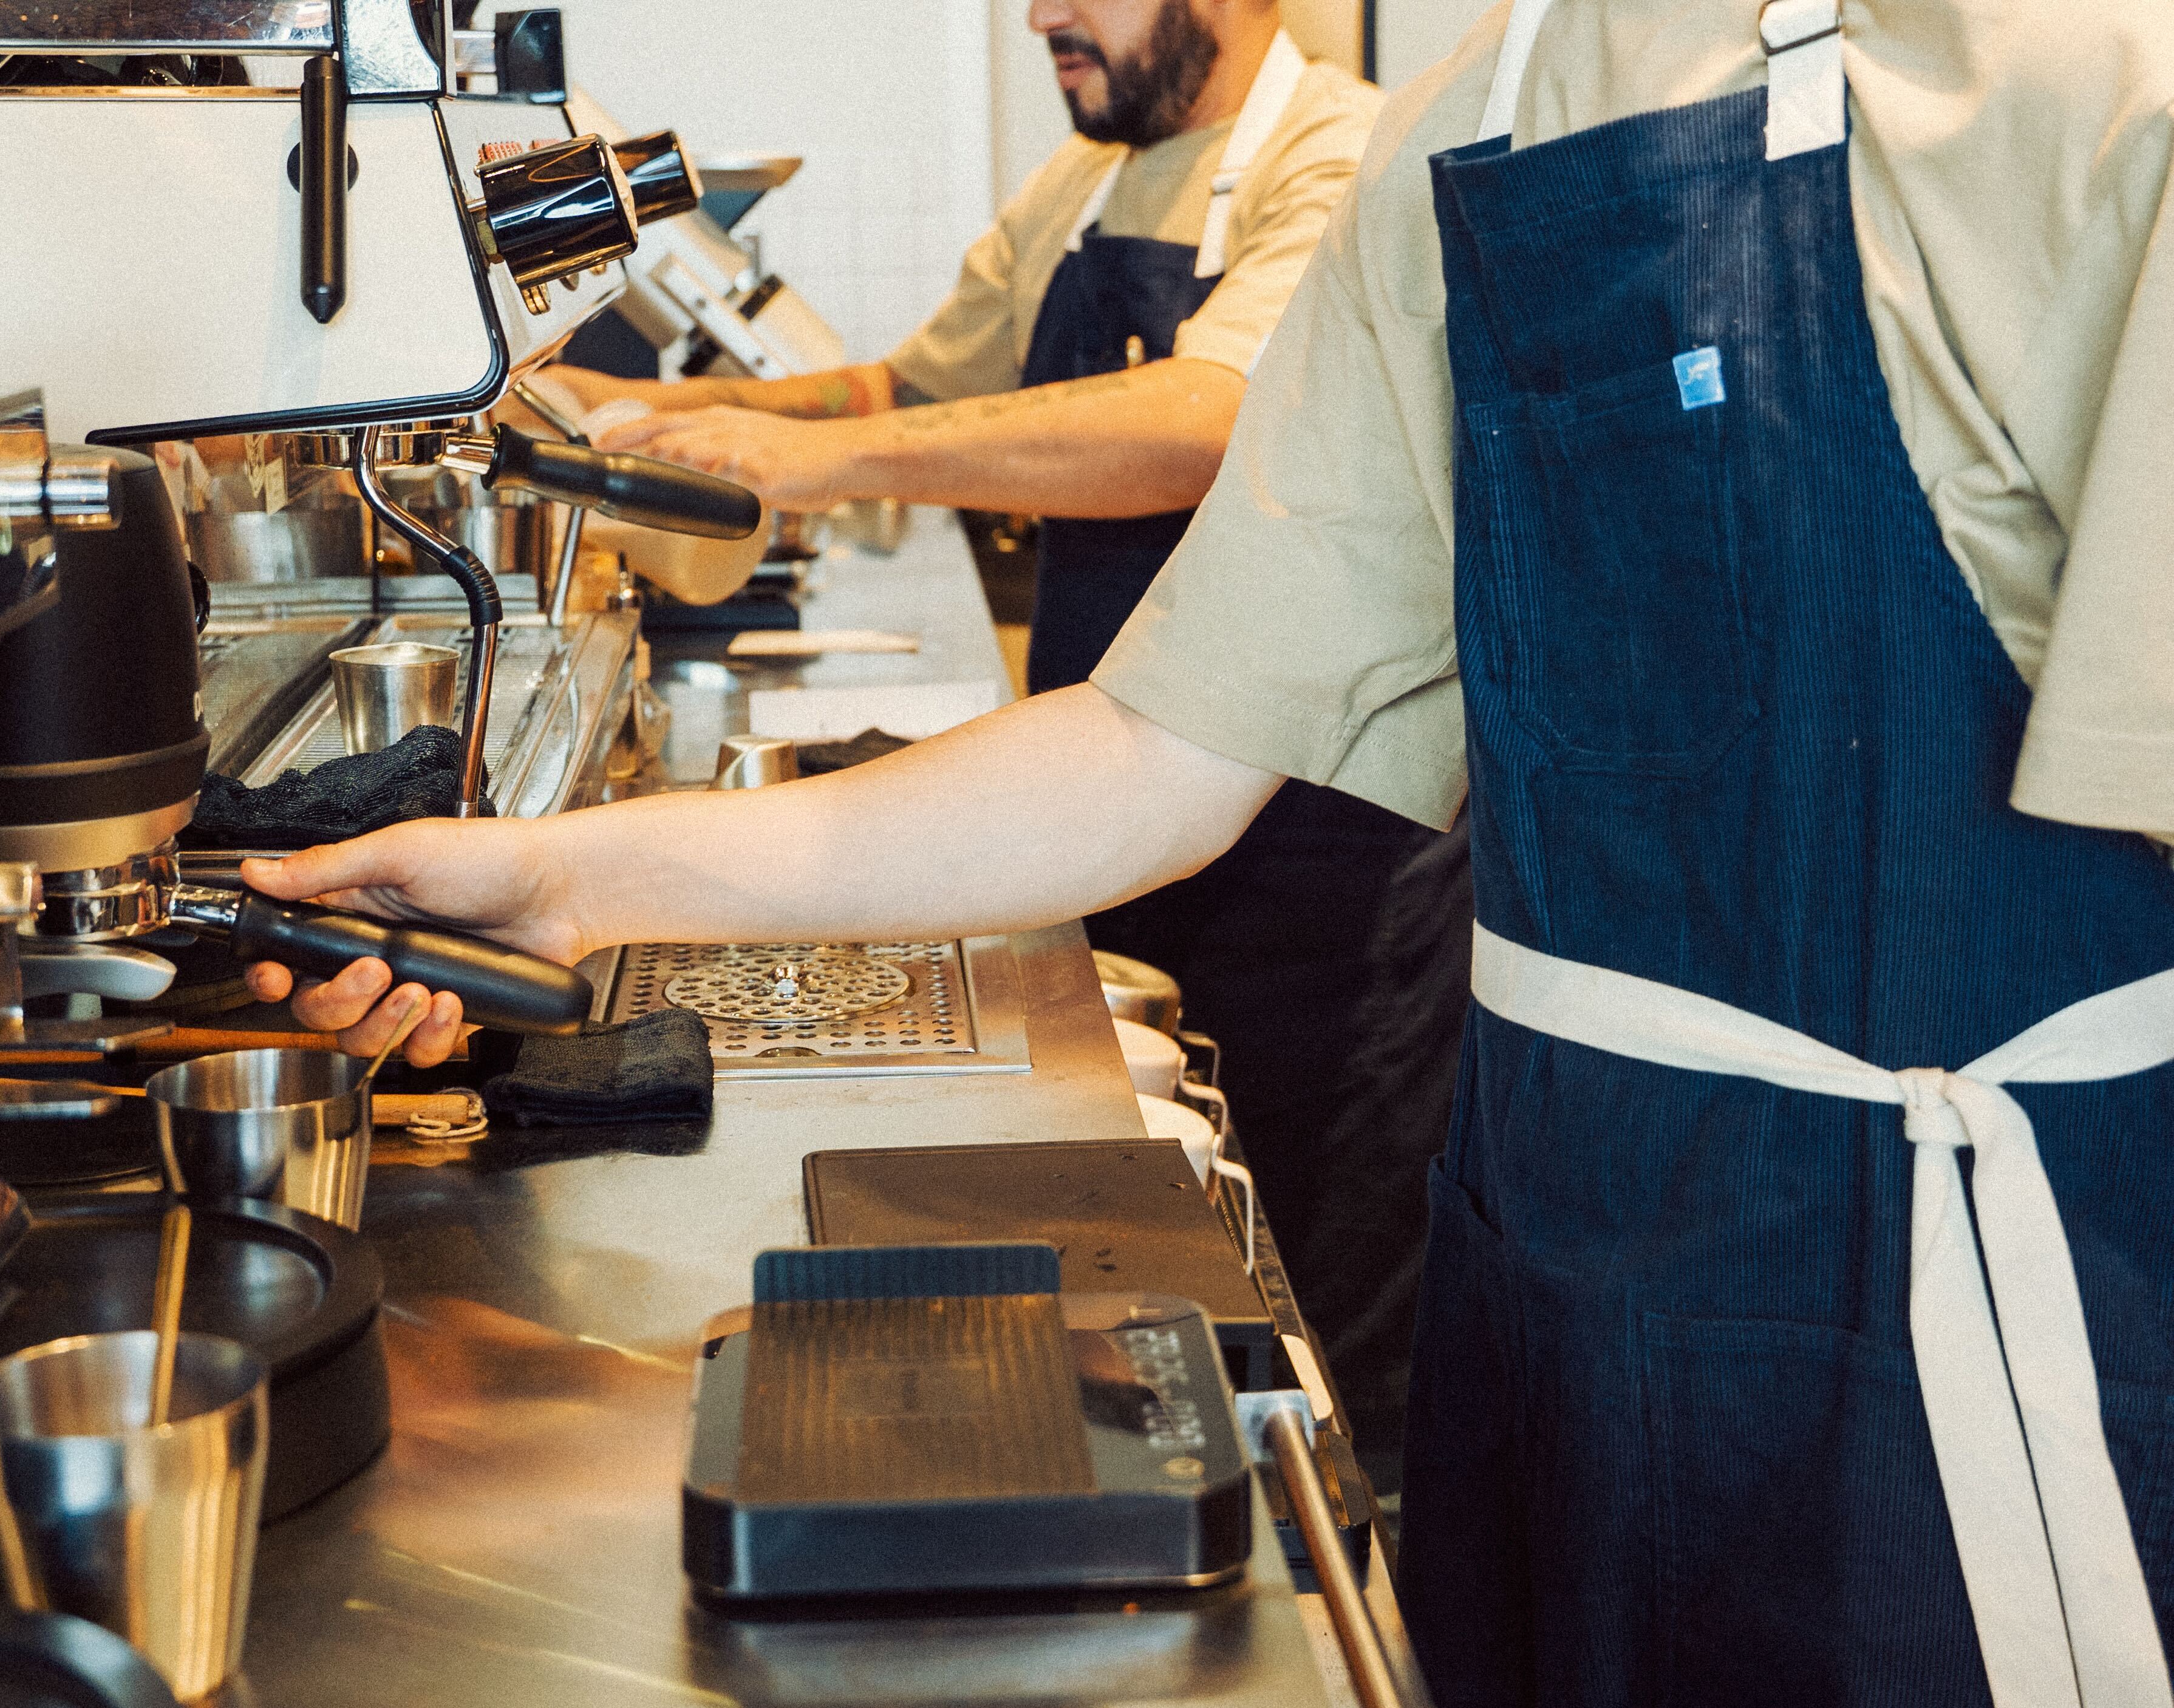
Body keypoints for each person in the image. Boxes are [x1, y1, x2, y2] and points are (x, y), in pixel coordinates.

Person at [243, 0, 2174, 1699]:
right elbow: (1159, 749)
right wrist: (586, 881)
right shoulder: (1472, 126)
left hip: (1957, 1310)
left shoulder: (2091, 87)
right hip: (1556, 1266)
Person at [551, 0, 1475, 1486]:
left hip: (1323, 856)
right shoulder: (1095, 175)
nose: (1046, 10)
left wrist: (819, 464)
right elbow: (913, 387)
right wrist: (673, 409)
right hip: (1119, 800)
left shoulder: (1336, 152)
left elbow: (1209, 420)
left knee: (1325, 1318)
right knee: (1167, 1291)